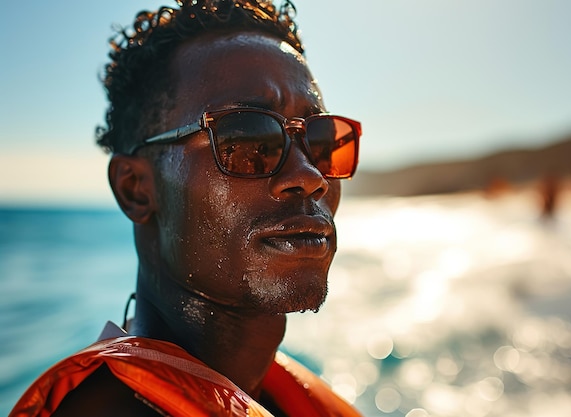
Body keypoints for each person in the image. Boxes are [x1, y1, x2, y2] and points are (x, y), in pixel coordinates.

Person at [10, 1, 362, 416]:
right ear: (137, 189)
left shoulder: (267, 392)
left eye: (320, 142)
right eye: (247, 139)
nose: (310, 176)